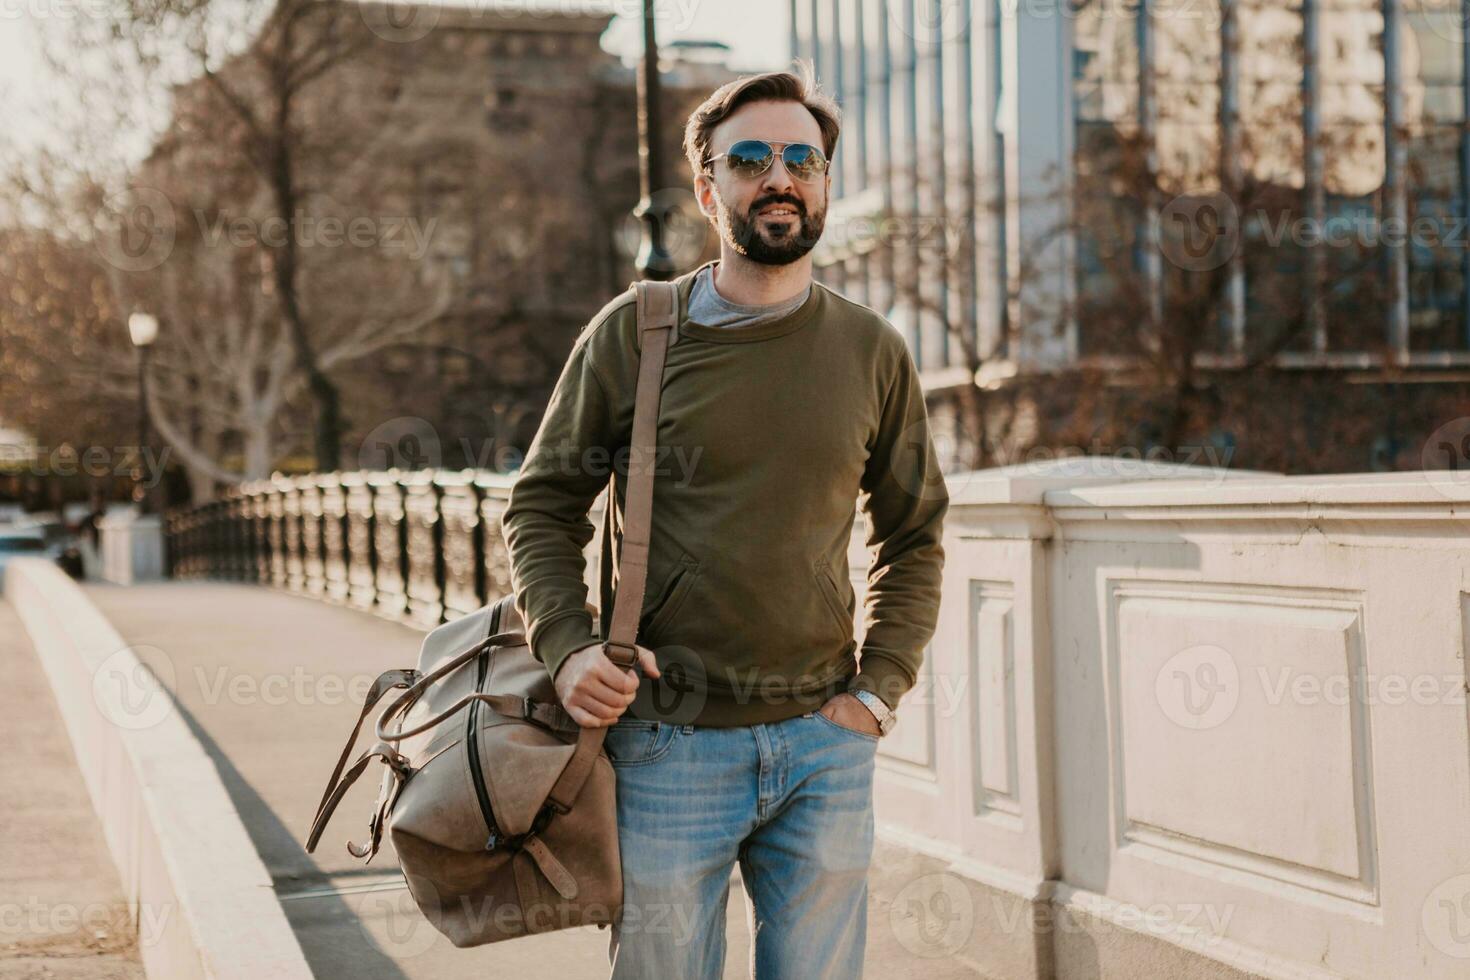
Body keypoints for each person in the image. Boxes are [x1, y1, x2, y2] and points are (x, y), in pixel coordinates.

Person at [500, 62, 949, 980]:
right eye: (750, 158)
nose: (780, 177)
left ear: (825, 181)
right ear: (708, 188)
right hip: (668, 743)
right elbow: (543, 504)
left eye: (803, 159)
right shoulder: (637, 333)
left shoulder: (872, 350)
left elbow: (914, 533)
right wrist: (569, 645)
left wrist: (877, 691)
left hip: (825, 745)